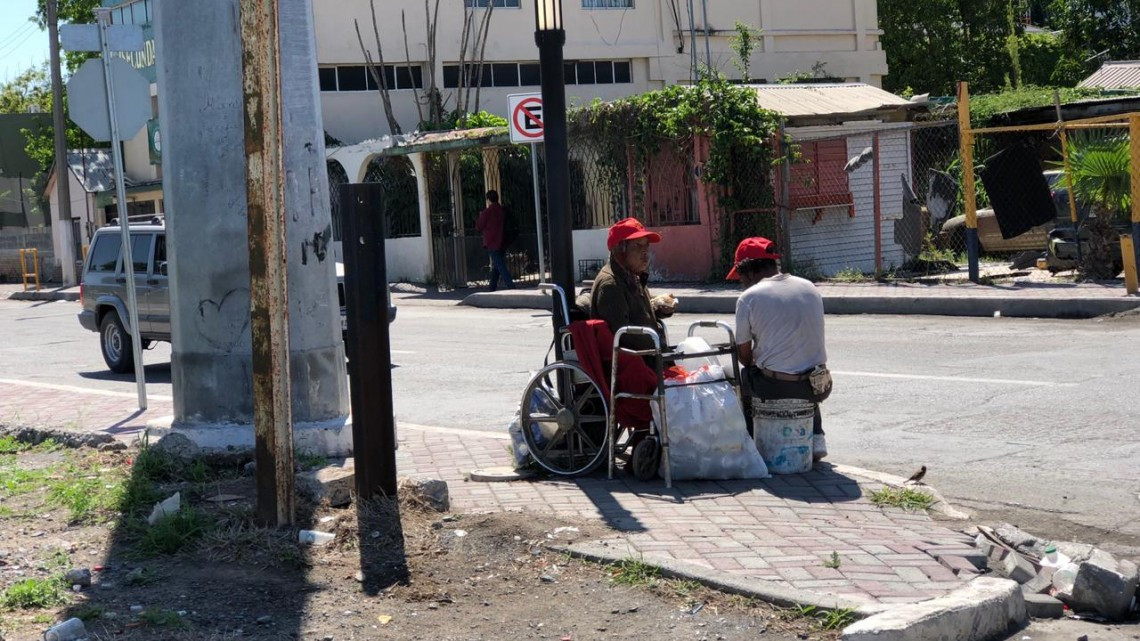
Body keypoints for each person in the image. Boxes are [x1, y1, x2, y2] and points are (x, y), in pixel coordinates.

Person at [730, 237, 831, 461]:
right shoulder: (809, 287)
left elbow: (745, 357)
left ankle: (752, 442)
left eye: (740, 279)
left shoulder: (749, 298)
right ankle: (817, 438)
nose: (742, 284)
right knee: (806, 369)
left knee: (745, 376)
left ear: (747, 273)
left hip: (778, 388)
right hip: (820, 385)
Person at [590, 217, 676, 354]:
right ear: (620, 248)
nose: (645, 254)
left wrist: (660, 307)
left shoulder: (632, 277)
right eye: (638, 246)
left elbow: (638, 314)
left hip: (652, 358)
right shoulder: (610, 285)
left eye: (646, 247)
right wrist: (659, 344)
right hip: (638, 365)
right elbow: (623, 335)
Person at [474, 190, 515, 292]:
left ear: (488, 200)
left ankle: (511, 287)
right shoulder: (502, 210)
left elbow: (479, 226)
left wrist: (480, 216)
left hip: (492, 242)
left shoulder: (487, 212)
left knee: (500, 265)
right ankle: (492, 287)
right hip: (504, 241)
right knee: (497, 265)